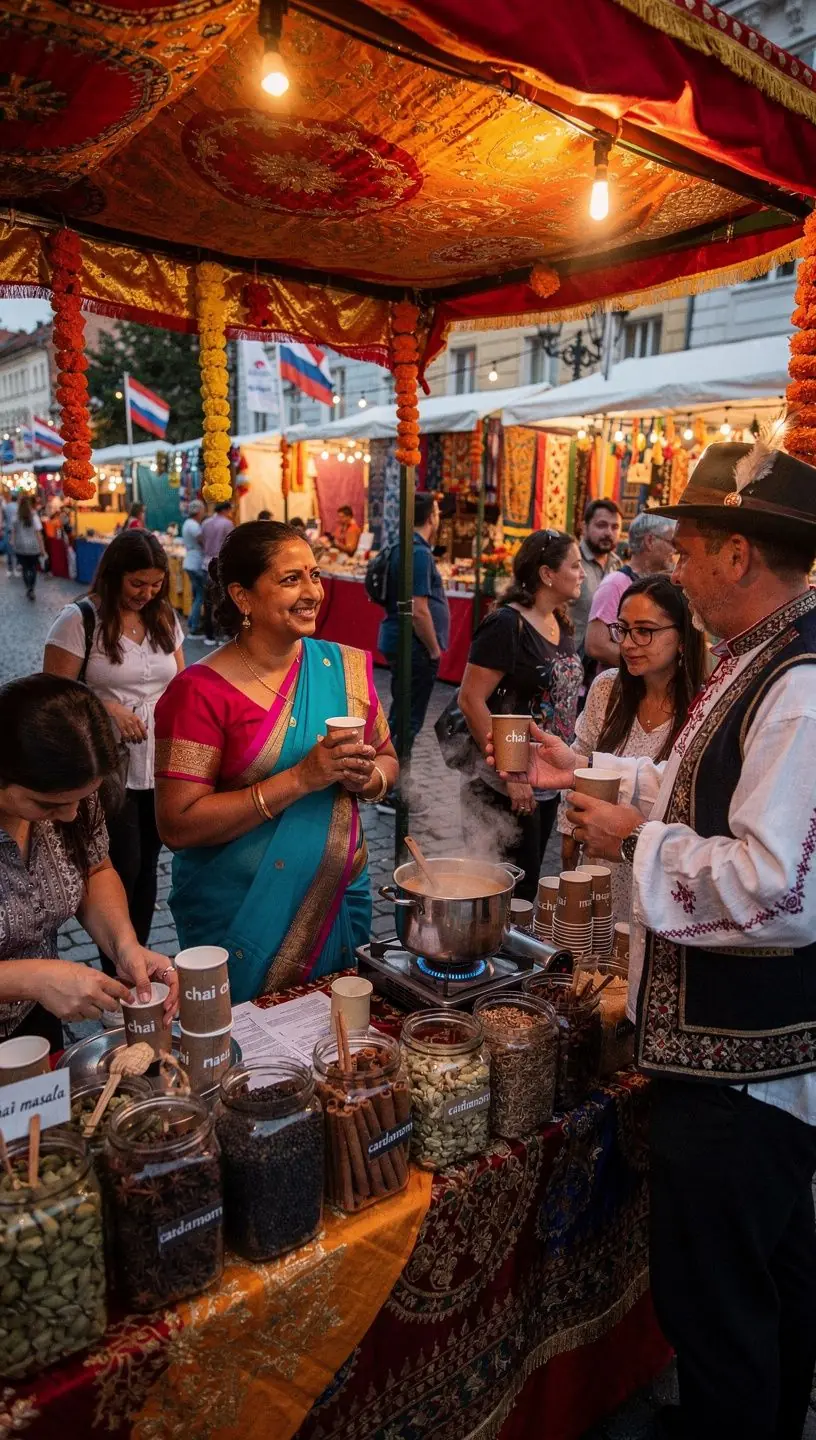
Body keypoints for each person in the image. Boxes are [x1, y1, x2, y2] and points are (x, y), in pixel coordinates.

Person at [513, 440, 816, 1440]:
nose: (674, 570)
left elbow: (778, 889)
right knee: (764, 1287)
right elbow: (705, 798)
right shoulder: (759, 657)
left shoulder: (798, 683)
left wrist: (639, 840)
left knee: (722, 1310)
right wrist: (592, 774)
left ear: (737, 554)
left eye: (686, 550)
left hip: (744, 1076)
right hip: (730, 1062)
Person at [154, 521, 398, 1000]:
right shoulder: (198, 693)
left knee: (340, 1049)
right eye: (291, 580)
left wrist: (368, 778)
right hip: (239, 915)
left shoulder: (341, 667)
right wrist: (302, 778)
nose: (312, 593)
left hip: (337, 898)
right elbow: (178, 825)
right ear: (243, 597)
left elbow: (387, 757)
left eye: (315, 574)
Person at [0, 674, 178, 1052]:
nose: (69, 816)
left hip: (33, 1023)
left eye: (83, 800)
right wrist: (31, 978)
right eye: (47, 804)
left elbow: (94, 869)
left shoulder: (74, 798)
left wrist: (124, 944)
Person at [44, 531, 184, 978]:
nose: (147, 593)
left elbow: (180, 683)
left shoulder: (164, 618)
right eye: (137, 583)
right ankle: (119, 966)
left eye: (155, 584)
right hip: (109, 769)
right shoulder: (79, 619)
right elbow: (52, 695)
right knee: (120, 865)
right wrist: (106, 706)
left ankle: (134, 959)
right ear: (114, 576)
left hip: (159, 764)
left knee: (148, 868)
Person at [556, 575, 705, 914]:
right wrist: (569, 842)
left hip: (660, 875)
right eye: (622, 629)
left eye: (645, 631)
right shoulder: (608, 689)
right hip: (598, 861)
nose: (628, 644)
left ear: (682, 638)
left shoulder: (702, 705)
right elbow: (578, 762)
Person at [458, 530, 583, 902]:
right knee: (500, 891)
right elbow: (471, 699)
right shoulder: (506, 624)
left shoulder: (560, 622)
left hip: (544, 780)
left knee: (525, 886)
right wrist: (511, 772)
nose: (582, 574)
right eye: (575, 566)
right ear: (547, 573)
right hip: (504, 785)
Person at [378, 492, 450, 755]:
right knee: (409, 718)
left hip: (401, 639)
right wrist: (433, 649)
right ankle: (397, 783)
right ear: (431, 516)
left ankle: (391, 774)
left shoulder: (404, 546)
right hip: (415, 646)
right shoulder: (418, 553)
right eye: (438, 512)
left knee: (402, 712)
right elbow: (418, 609)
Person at [584, 511, 677, 669]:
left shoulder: (659, 583)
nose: (675, 551)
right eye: (672, 543)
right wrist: (648, 664)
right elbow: (596, 646)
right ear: (650, 541)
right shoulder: (616, 583)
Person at [571, 498, 622, 654]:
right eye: (601, 525)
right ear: (584, 527)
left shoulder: (617, 565)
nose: (608, 532)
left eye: (615, 527)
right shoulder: (570, 564)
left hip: (604, 663)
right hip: (572, 659)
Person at [200, 499, 235, 646]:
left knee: (208, 601)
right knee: (223, 600)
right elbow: (232, 545)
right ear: (226, 510)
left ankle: (209, 635)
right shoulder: (227, 524)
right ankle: (224, 634)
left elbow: (201, 540)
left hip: (205, 563)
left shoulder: (205, 523)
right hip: (220, 565)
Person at [13, 494, 45, 601]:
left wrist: (13, 543)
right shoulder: (34, 516)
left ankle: (28, 587)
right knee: (33, 568)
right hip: (33, 547)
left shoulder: (16, 517)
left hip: (20, 547)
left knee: (25, 568)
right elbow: (39, 535)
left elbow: (14, 533)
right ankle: (31, 588)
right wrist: (42, 549)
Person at [181, 499, 206, 634]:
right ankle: (194, 626)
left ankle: (192, 621)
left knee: (197, 595)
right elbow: (202, 541)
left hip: (190, 561)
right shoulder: (194, 526)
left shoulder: (187, 523)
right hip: (195, 562)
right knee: (200, 596)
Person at [2, 492, 17, 577]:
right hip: (16, 531)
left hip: (8, 530)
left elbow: (4, 518)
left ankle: (10, 568)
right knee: (15, 550)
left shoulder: (6, 507)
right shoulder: (18, 507)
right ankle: (15, 568)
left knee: (9, 551)